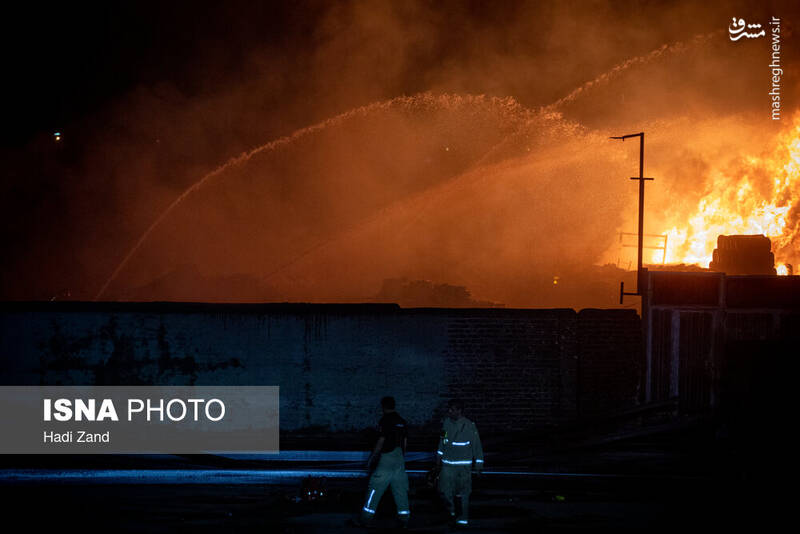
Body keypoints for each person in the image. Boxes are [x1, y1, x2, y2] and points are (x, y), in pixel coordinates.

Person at [359, 396, 410, 528]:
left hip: (386, 458)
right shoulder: (402, 421)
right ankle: (404, 519)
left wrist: (371, 458)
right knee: (400, 490)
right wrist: (401, 457)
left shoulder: (385, 420)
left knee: (374, 488)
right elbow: (405, 442)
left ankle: (366, 518)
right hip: (399, 459)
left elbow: (381, 441)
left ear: (383, 406)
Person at [435, 398, 483, 527]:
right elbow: (443, 441)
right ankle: (451, 513)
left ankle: (462, 519)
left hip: (463, 467)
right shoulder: (446, 423)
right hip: (447, 465)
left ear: (459, 411)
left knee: (463, 494)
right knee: (445, 491)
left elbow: (476, 446)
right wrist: (438, 458)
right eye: (449, 409)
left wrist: (479, 465)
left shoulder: (469, 425)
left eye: (452, 410)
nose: (449, 412)